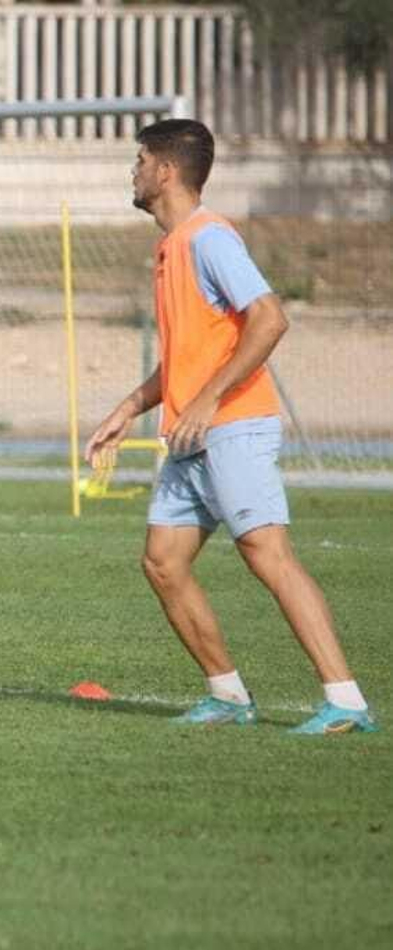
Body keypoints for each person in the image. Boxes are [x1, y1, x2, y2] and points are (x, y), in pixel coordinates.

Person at [85, 118, 377, 735]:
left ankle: (346, 700)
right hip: (193, 435)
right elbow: (188, 359)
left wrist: (209, 401)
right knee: (163, 562)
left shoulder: (209, 238)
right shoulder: (171, 247)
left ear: (165, 171)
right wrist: (126, 410)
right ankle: (227, 695)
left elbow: (269, 319)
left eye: (139, 160)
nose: (132, 172)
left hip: (233, 426)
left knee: (267, 555)